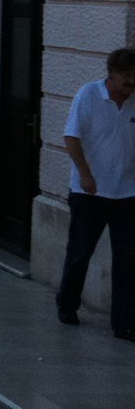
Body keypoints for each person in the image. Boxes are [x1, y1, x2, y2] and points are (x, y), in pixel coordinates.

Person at [55, 47, 135, 339]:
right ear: (112, 74)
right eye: (126, 77)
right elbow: (71, 136)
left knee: (128, 259)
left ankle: (124, 322)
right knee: (79, 253)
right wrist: (85, 174)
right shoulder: (88, 95)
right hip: (90, 191)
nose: (131, 84)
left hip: (128, 192)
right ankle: (67, 303)